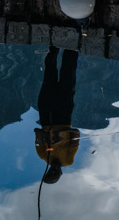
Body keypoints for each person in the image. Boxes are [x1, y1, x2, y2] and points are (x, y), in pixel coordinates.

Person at [35, 46, 80, 184]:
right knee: (68, 78)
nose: (53, 169)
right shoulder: (68, 160)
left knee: (49, 76)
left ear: (47, 170)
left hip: (46, 116)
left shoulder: (43, 155)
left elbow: (37, 132)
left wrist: (43, 138)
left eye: (50, 171)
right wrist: (61, 135)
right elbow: (76, 134)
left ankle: (53, 49)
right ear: (60, 172)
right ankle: (72, 49)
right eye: (55, 172)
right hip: (63, 116)